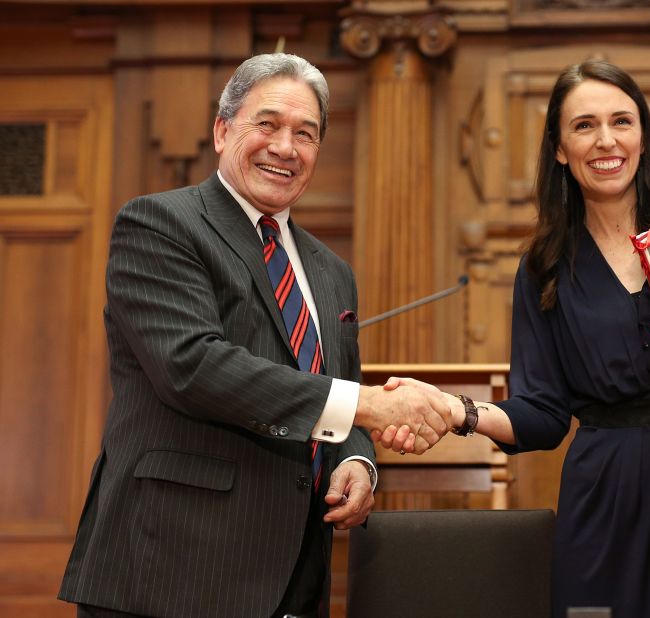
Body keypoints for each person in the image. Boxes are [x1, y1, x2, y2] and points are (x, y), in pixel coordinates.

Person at [379, 60, 650, 617]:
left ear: (643, 137)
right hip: (608, 498)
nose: (606, 140)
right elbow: (543, 414)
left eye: (621, 122)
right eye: (583, 126)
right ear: (559, 148)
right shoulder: (545, 267)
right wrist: (458, 410)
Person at [58, 53, 451, 618]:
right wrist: (367, 407)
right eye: (266, 125)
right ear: (223, 131)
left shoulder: (333, 272)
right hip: (170, 572)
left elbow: (339, 391)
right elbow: (192, 367)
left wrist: (358, 462)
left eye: (305, 134)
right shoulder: (160, 224)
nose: (285, 147)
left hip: (294, 574)